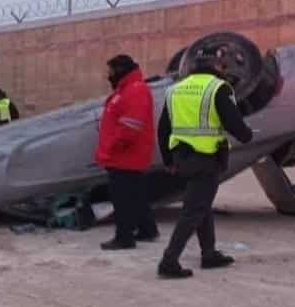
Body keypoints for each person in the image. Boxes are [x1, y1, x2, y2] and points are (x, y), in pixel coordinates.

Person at [156, 46, 253, 279]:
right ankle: (169, 261)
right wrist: (246, 135)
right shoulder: (216, 89)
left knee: (202, 204)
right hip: (206, 158)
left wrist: (168, 160)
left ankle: (208, 254)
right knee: (193, 211)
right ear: (216, 67)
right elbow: (233, 123)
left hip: (182, 157)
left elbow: (163, 129)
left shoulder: (175, 90)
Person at [95, 54, 159, 250]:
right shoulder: (127, 90)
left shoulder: (135, 90)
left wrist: (114, 146)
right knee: (136, 194)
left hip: (125, 156)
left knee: (122, 198)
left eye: (111, 71)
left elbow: (131, 126)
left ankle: (124, 237)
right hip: (126, 155)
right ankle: (148, 230)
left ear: (121, 69)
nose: (109, 75)